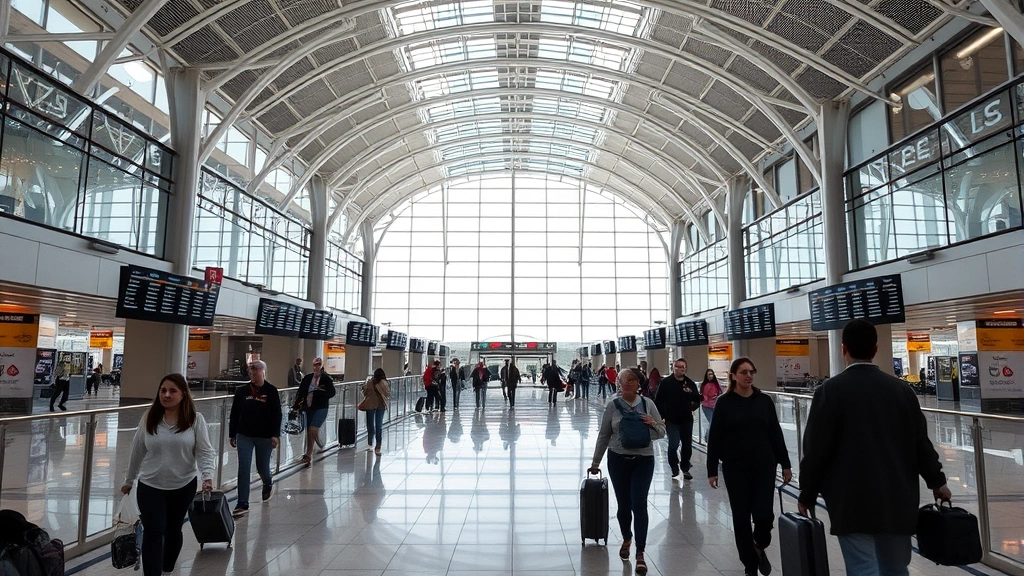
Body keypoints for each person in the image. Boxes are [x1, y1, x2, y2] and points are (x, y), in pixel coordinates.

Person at [798, 320, 950, 576]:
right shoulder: (902, 391)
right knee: (896, 567)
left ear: (843, 348)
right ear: (876, 349)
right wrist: (937, 481)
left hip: (850, 500)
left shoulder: (829, 392)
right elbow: (920, 443)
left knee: (862, 568)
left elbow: (816, 451)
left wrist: (808, 492)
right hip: (897, 499)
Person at [122, 373, 216, 576]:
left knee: (173, 531)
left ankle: (167, 569)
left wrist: (207, 476)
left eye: (172, 391)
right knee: (154, 532)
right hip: (150, 485)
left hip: (183, 485)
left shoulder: (194, 420)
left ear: (183, 394)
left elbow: (205, 451)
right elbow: (137, 450)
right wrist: (129, 480)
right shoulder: (149, 418)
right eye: (163, 390)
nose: (166, 395)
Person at [706, 357, 792, 576]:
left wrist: (785, 464)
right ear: (733, 375)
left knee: (765, 517)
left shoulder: (764, 401)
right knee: (741, 517)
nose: (749, 376)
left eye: (752, 372)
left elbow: (775, 434)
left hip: (764, 466)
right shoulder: (725, 403)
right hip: (736, 468)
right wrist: (712, 469)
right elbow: (715, 437)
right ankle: (749, 565)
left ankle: (758, 545)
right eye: (744, 372)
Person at [589, 369, 666, 576]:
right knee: (624, 504)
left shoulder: (648, 404)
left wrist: (652, 424)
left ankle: (640, 552)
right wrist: (596, 462)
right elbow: (604, 435)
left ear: (638, 382)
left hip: (644, 460)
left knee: (639, 503)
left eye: (632, 380)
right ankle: (626, 537)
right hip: (618, 460)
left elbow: (661, 432)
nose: (629, 383)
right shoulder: (612, 406)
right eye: (624, 380)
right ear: (618, 384)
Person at [228, 359, 282, 516]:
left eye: (256, 373)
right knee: (244, 467)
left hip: (264, 436)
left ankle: (267, 481)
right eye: (252, 373)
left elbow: (276, 414)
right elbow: (235, 413)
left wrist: (275, 435)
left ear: (263, 373)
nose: (254, 376)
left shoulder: (271, 391)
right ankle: (242, 503)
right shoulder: (242, 391)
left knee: (262, 466)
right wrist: (232, 433)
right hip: (244, 434)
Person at [653, 358, 700, 480]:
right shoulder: (666, 383)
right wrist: (661, 417)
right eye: (678, 366)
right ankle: (674, 468)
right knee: (673, 445)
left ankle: (685, 468)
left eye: (683, 367)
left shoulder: (690, 384)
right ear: (673, 368)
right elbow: (658, 401)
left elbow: (697, 399)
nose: (681, 369)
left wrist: (692, 407)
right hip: (671, 420)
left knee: (687, 445)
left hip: (686, 419)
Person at [291, 357, 335, 466]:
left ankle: (319, 443)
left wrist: (320, 392)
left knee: (312, 428)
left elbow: (332, 392)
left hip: (321, 407)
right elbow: (301, 392)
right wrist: (297, 405)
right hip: (308, 407)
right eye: (315, 364)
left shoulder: (326, 378)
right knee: (309, 431)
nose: (317, 366)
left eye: (319, 364)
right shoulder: (307, 378)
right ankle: (309, 454)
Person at [362, 368, 390, 455]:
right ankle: (378, 446)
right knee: (379, 426)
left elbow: (365, 393)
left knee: (370, 425)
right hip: (380, 405)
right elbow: (387, 394)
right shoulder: (384, 383)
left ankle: (370, 444)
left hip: (370, 405)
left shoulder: (370, 382)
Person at [699, 368, 722, 441]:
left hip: (715, 406)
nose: (710, 376)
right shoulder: (704, 385)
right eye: (709, 374)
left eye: (711, 374)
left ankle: (707, 437)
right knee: (712, 422)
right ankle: (708, 438)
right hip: (707, 407)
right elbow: (704, 396)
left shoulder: (716, 384)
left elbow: (720, 393)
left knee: (713, 422)